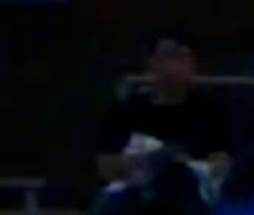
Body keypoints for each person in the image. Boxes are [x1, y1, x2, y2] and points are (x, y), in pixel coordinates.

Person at [94, 35, 232, 190]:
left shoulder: (213, 111)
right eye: (164, 58)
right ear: (151, 63)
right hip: (135, 192)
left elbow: (223, 163)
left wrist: (193, 169)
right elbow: (105, 166)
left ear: (193, 65)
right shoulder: (124, 111)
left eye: (180, 58)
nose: (171, 66)